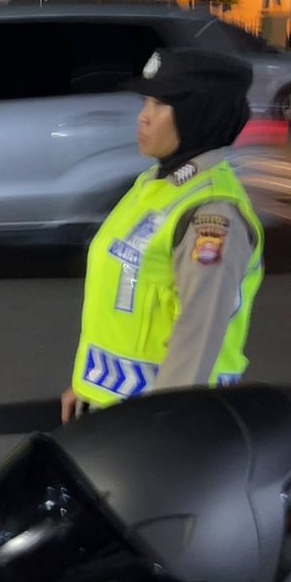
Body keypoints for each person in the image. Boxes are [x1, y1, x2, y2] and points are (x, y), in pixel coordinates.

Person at [61, 47, 264, 424]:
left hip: (158, 423)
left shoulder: (211, 214)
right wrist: (87, 384)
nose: (143, 117)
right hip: (115, 410)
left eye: (159, 104)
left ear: (198, 113)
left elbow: (197, 335)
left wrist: (165, 429)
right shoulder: (155, 185)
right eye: (145, 102)